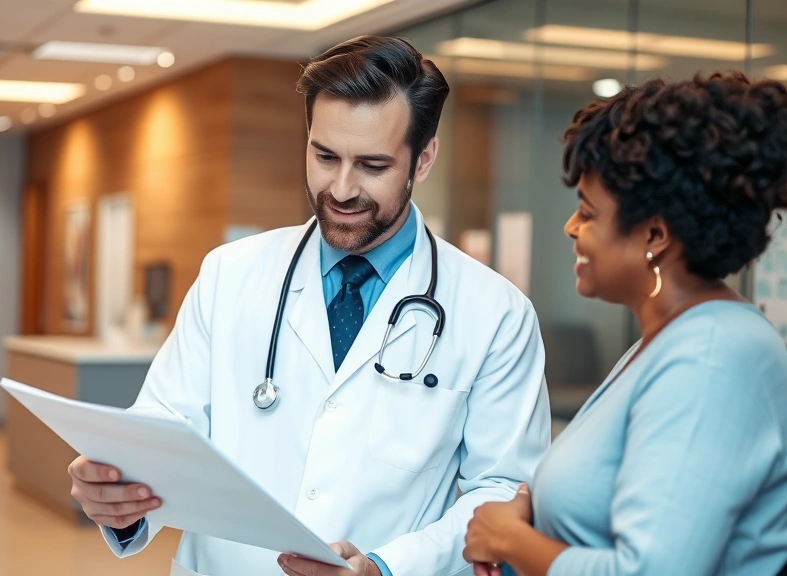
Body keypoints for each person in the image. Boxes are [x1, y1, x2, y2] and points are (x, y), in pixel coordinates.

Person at [67, 35, 552, 576]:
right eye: (325, 156)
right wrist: (120, 494)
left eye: (372, 165)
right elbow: (164, 427)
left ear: (424, 158)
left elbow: (504, 491)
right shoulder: (230, 273)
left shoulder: (495, 314)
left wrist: (385, 567)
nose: (340, 189)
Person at [463, 71, 787, 576]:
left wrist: (512, 540)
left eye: (587, 213)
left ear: (654, 234)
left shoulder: (713, 358)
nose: (571, 228)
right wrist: (533, 514)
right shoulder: (668, 339)